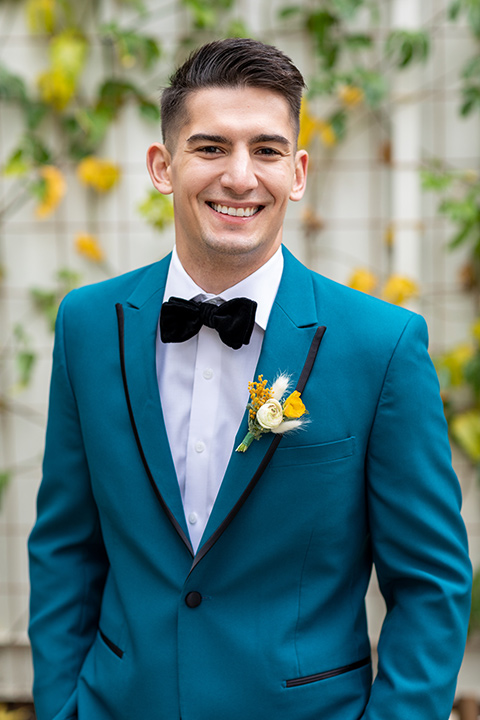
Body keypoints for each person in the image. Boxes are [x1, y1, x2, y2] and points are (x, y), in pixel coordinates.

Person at [28, 37, 472, 720]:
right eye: (210, 148)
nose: (240, 177)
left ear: (297, 173)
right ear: (162, 166)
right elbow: (65, 548)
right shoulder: (88, 326)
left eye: (265, 151)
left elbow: (431, 583)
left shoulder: (381, 345)